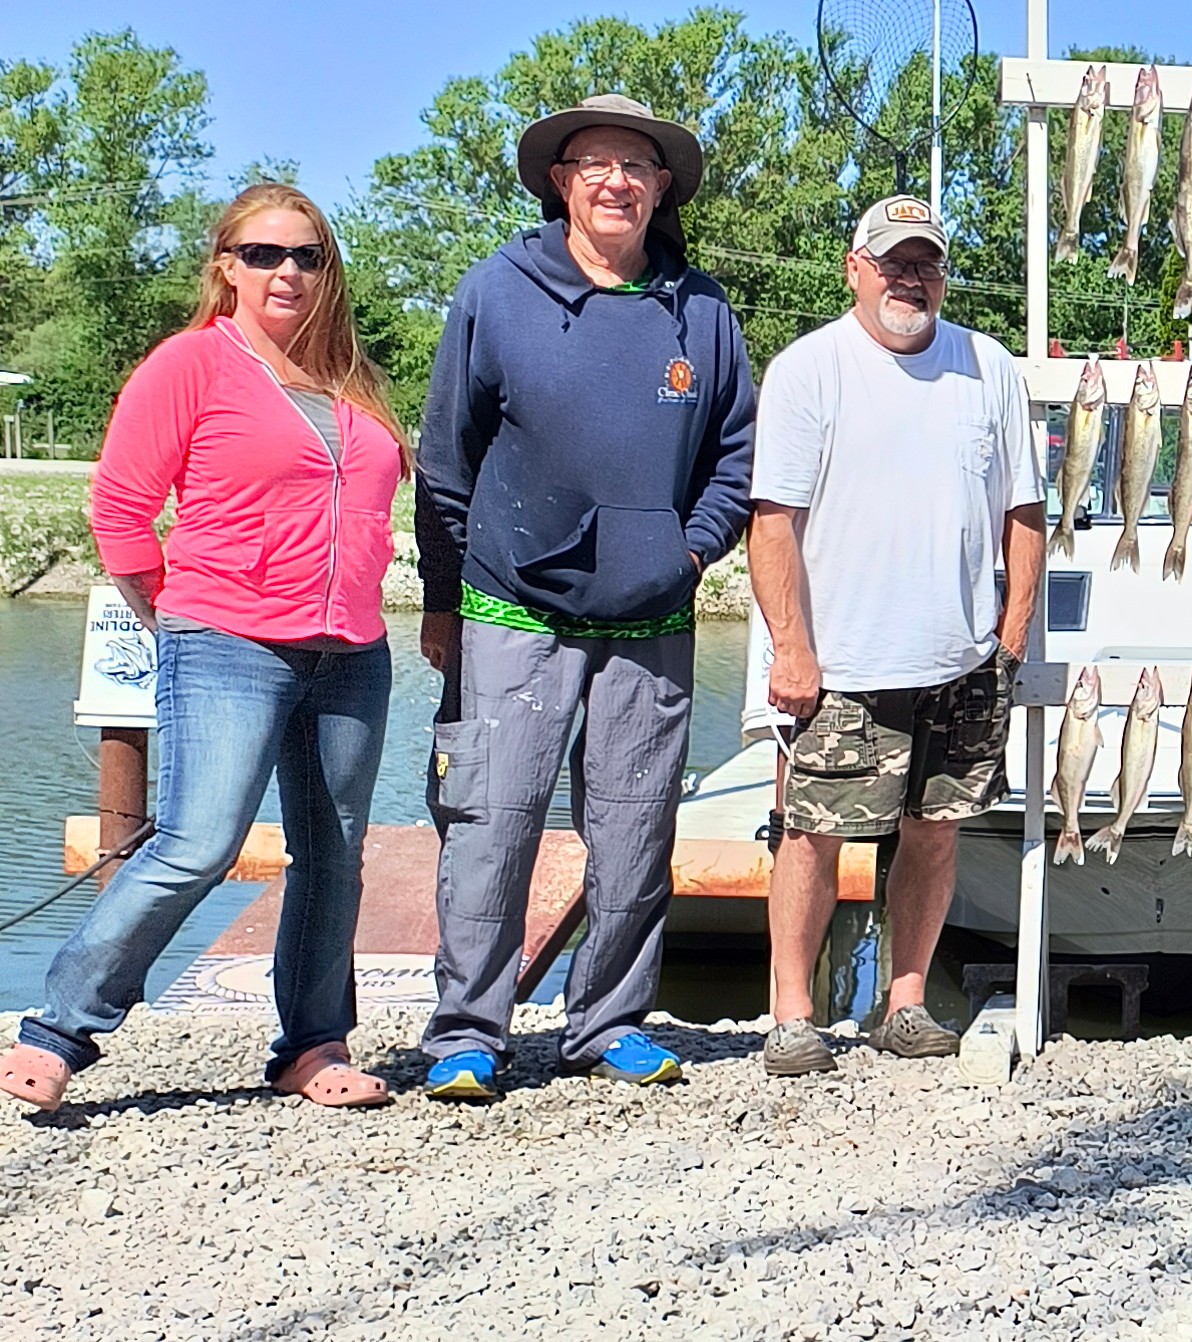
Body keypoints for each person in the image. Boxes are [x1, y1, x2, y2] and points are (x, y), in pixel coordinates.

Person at [0, 184, 405, 1112]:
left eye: (308, 255)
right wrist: (173, 611)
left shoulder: (352, 379)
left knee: (334, 856)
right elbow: (121, 507)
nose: (289, 272)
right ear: (226, 265)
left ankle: (313, 1045)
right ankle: (59, 1028)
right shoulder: (192, 363)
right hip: (228, 637)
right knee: (196, 842)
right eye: (264, 254)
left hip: (351, 647)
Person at [413, 94, 756, 1100]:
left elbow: (734, 458)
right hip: (512, 612)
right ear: (561, 181)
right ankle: (466, 1031)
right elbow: (446, 458)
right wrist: (453, 590)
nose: (616, 182)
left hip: (653, 617)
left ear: (662, 189)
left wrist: (689, 555)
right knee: (492, 821)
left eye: (635, 168)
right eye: (595, 164)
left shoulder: (703, 311)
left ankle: (605, 1022)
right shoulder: (497, 291)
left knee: (636, 831)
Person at [750, 197, 1047, 1075]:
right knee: (811, 834)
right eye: (891, 262)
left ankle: (905, 1001)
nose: (908, 278)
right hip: (841, 661)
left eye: (925, 263)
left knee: (935, 831)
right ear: (855, 268)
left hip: (962, 661)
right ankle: (793, 1014)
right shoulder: (809, 369)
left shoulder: (988, 368)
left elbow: (1023, 510)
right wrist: (792, 648)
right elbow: (772, 524)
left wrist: (1014, 631)